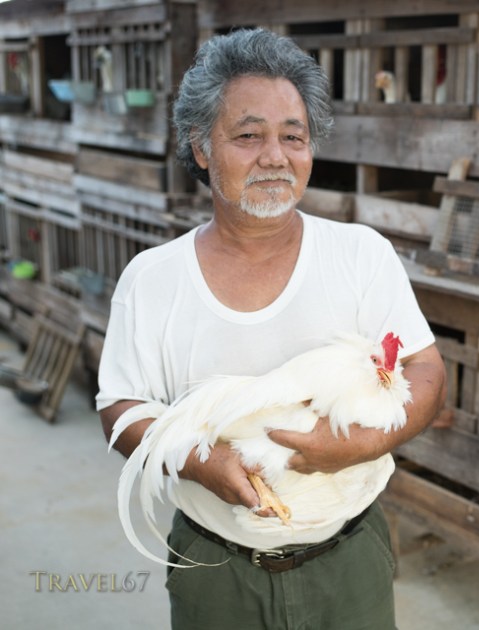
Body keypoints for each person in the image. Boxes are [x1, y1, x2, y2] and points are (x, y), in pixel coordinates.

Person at [97, 28, 446, 629]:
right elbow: (120, 408)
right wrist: (198, 460)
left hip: (349, 557)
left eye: (293, 136)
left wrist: (365, 443)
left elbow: (427, 370)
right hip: (215, 566)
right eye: (248, 135)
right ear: (202, 148)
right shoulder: (152, 278)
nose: (275, 156)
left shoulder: (362, 254)